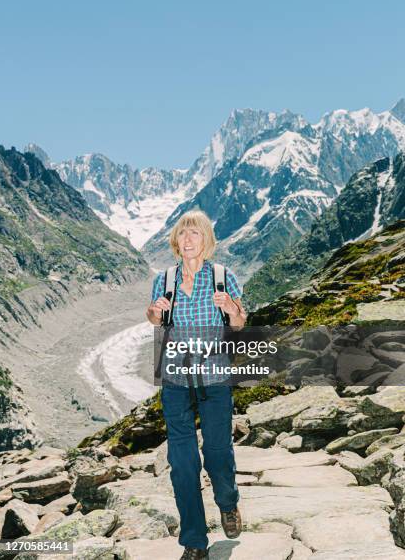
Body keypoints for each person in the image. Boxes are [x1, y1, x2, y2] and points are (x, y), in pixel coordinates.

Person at [146, 210, 247, 560]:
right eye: (183, 234)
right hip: (175, 380)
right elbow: (155, 319)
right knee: (183, 462)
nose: (188, 240)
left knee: (217, 454)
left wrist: (233, 309)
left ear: (206, 241)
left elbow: (238, 323)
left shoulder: (223, 276)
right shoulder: (165, 279)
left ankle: (228, 501)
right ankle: (194, 541)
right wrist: (155, 312)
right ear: (176, 241)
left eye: (195, 234)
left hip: (215, 379)